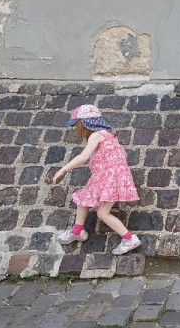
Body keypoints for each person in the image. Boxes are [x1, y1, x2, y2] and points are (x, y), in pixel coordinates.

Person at [53, 104, 142, 255]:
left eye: (77, 125)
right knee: (86, 200)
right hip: (114, 176)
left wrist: (63, 169)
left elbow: (83, 156)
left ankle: (129, 238)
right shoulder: (111, 135)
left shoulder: (96, 135)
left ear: (85, 123)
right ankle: (78, 230)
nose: (77, 129)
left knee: (99, 210)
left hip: (106, 176)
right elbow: (123, 156)